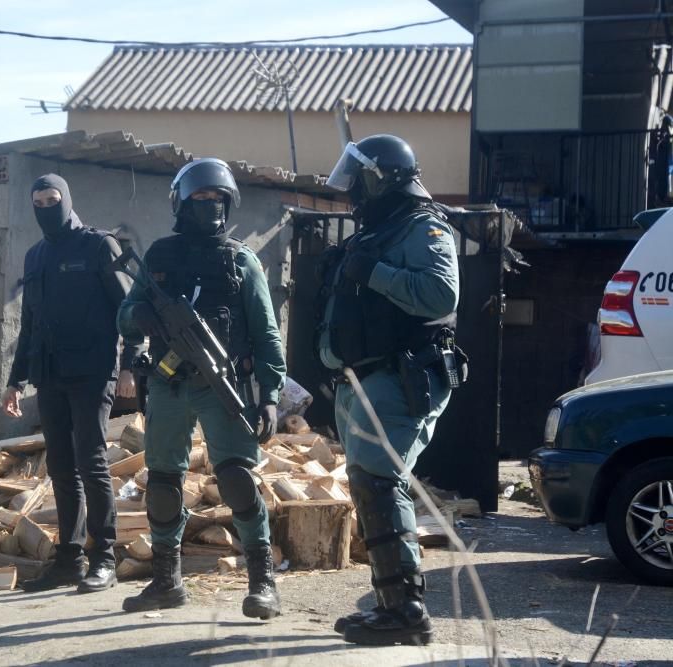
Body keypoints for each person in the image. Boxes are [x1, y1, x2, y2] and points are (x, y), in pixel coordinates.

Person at [117, 158, 287, 619]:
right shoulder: (159, 257)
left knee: (236, 479)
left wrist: (270, 396)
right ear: (181, 204)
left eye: (217, 199)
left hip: (223, 384)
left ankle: (262, 583)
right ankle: (166, 582)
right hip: (169, 385)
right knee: (164, 484)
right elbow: (126, 312)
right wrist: (140, 318)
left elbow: (267, 333)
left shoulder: (240, 260)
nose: (209, 206)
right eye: (200, 199)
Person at [317, 135, 461, 645]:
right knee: (369, 484)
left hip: (399, 376)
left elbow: (440, 294)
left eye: (359, 179)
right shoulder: (376, 229)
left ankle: (406, 612)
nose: (353, 190)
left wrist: (374, 272)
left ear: (382, 177)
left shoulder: (425, 225)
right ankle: (391, 606)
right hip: (363, 379)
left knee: (381, 483)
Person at [2, 173, 143, 594]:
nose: (47, 207)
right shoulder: (35, 256)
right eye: (39, 201)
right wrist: (15, 381)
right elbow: (28, 324)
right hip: (49, 377)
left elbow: (131, 310)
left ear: (67, 198)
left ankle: (104, 558)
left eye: (53, 198)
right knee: (61, 468)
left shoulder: (99, 246)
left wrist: (131, 366)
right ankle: (70, 559)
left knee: (92, 463)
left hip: (92, 373)